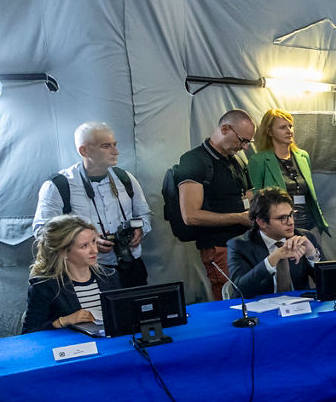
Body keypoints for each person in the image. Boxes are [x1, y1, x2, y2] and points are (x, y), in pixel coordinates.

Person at [32, 122, 151, 288]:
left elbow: (144, 214)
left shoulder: (126, 179)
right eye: (106, 146)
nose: (115, 151)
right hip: (84, 273)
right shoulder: (59, 185)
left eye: (114, 145)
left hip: (130, 267)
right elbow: (42, 231)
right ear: (84, 151)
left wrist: (140, 230)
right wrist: (87, 241)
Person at [177, 109, 255, 300]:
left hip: (244, 244)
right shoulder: (194, 160)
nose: (244, 147)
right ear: (225, 129)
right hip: (219, 247)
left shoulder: (236, 161)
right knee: (232, 301)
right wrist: (239, 218)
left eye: (248, 142)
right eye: (242, 140)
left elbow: (249, 196)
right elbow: (190, 216)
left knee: (250, 298)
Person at [22, 215, 120, 333]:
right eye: (84, 246)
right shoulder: (44, 286)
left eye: (94, 241)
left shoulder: (110, 276)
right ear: (63, 252)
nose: (94, 250)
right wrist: (63, 321)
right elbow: (29, 332)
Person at [247, 109, 330, 238]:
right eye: (282, 127)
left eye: (290, 126)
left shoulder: (303, 156)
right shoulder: (258, 160)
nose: (289, 131)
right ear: (269, 132)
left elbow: (310, 193)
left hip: (309, 225)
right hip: (279, 229)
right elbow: (256, 201)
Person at [226, 188, 322, 297]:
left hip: (301, 305)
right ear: (262, 222)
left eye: (291, 215)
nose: (290, 222)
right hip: (261, 306)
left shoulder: (304, 238)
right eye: (282, 218)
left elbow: (331, 284)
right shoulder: (239, 245)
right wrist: (271, 260)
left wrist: (312, 255)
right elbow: (240, 290)